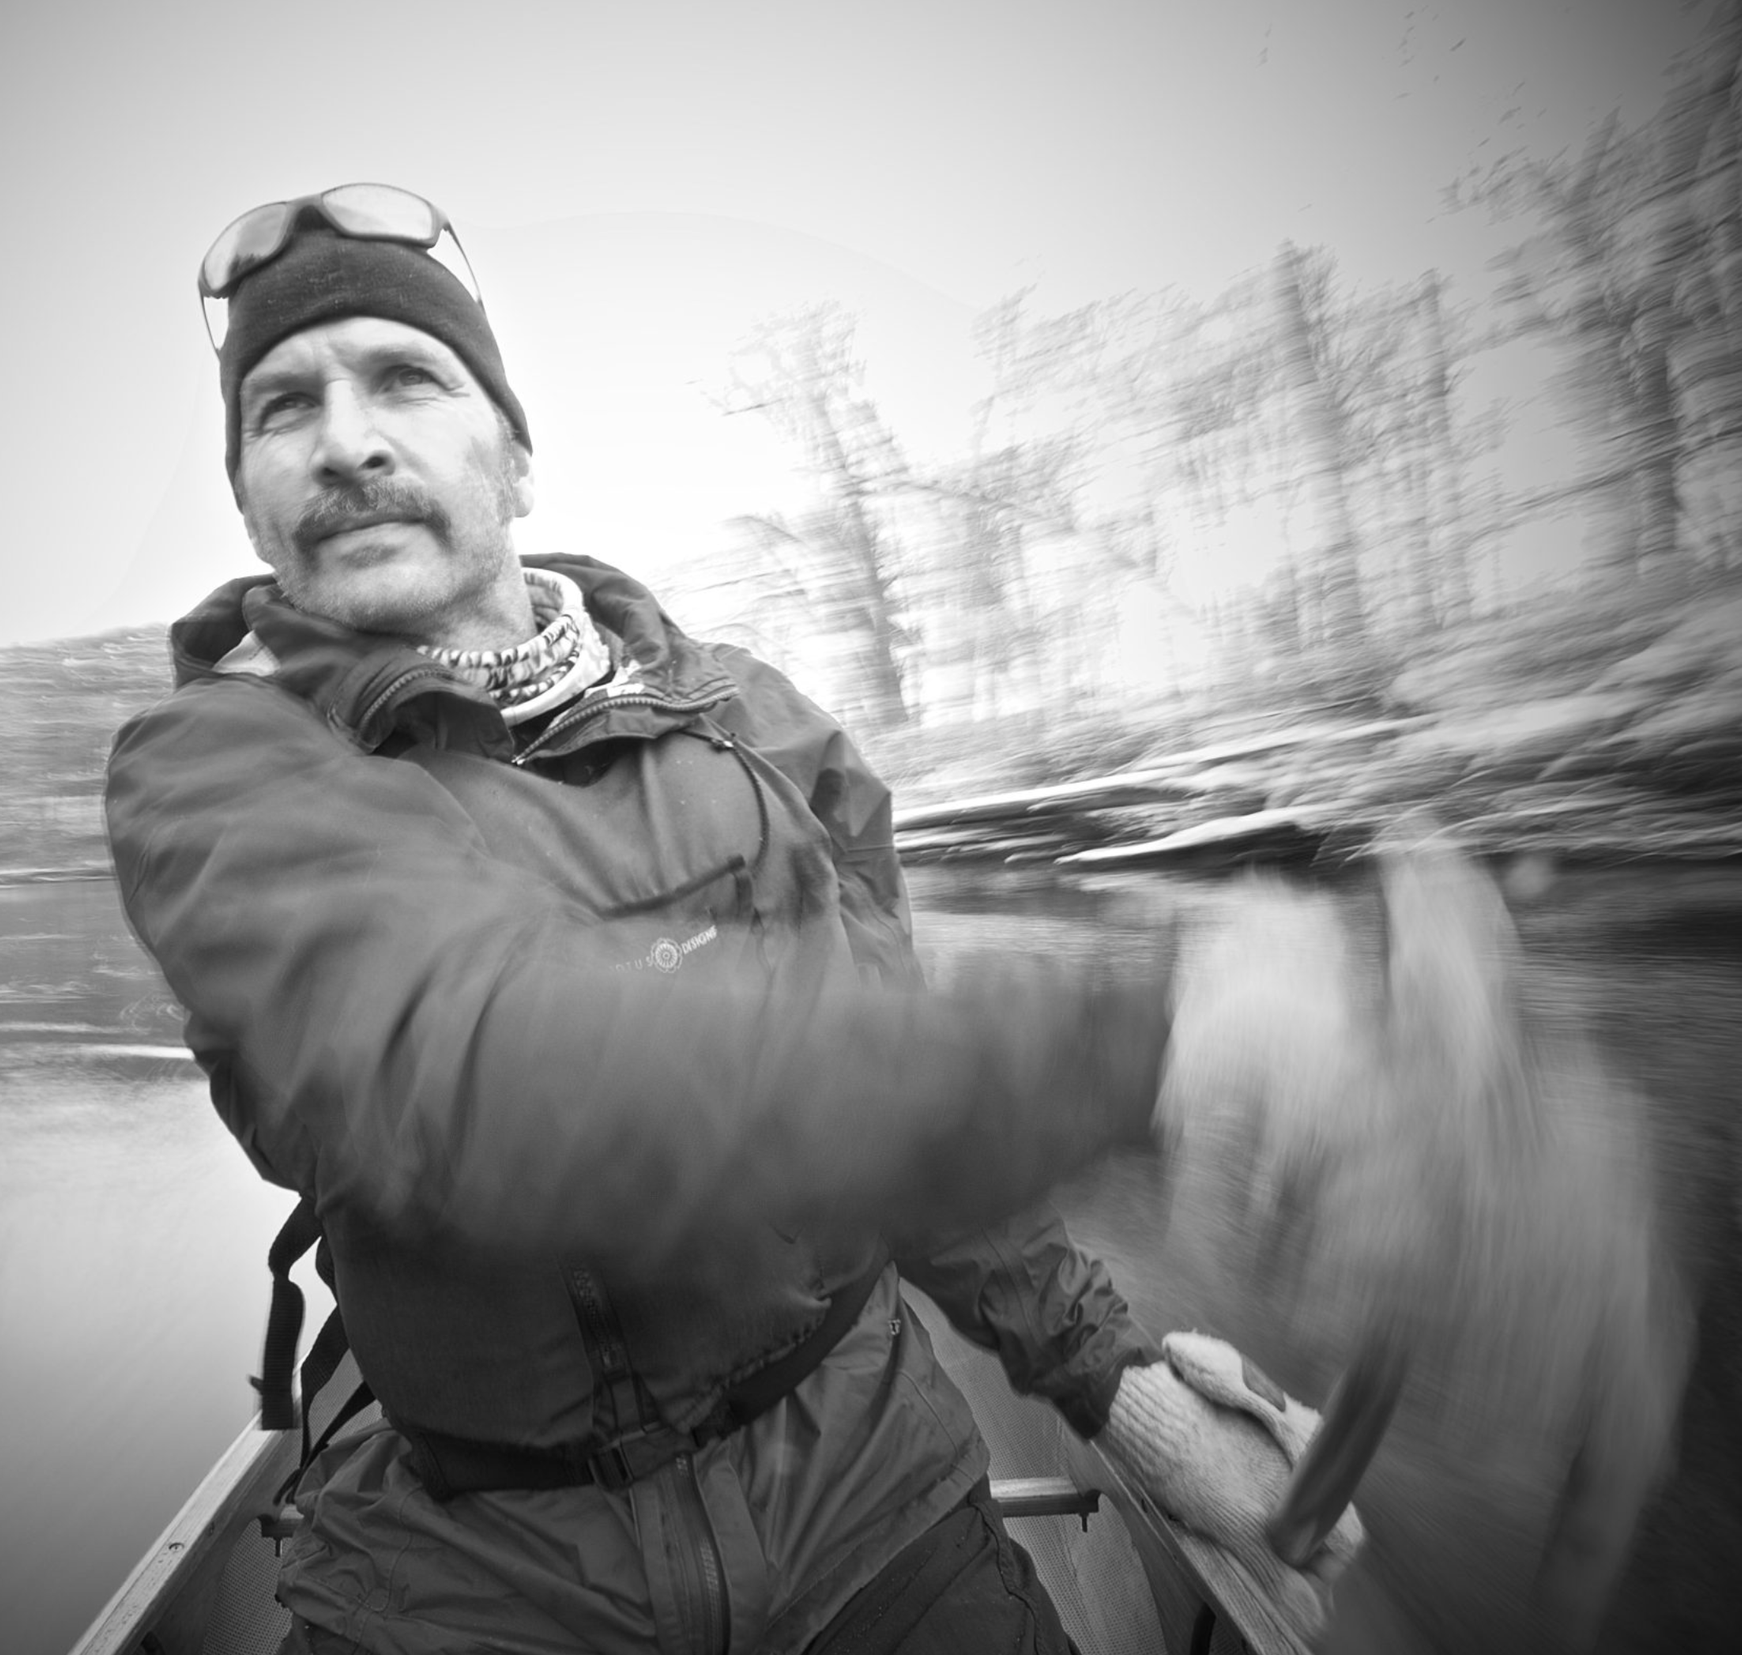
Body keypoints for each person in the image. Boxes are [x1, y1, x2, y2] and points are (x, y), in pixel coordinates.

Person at [105, 183, 1177, 1655]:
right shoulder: (211, 769)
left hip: (874, 1500)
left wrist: (1118, 1381)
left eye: (404, 378)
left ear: (516, 456)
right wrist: (1156, 1043)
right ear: (249, 501)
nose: (345, 440)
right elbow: (485, 1071)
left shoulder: (758, 723)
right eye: (283, 407)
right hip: (474, 1587)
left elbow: (911, 1117)